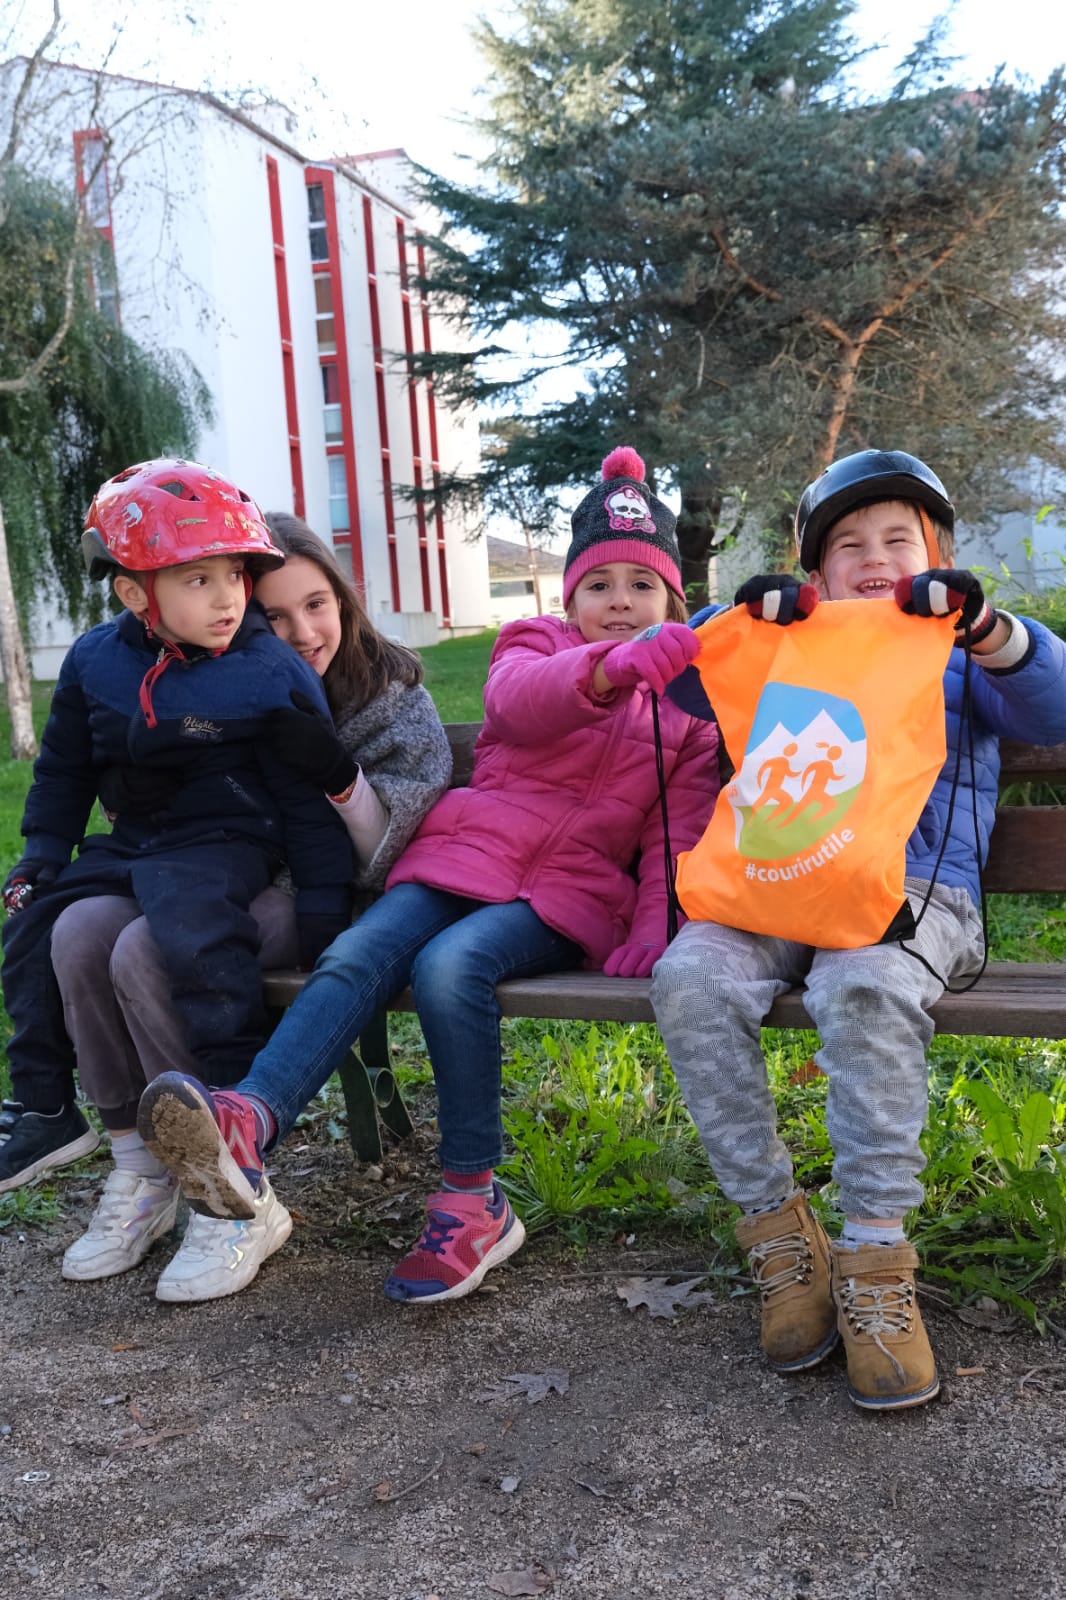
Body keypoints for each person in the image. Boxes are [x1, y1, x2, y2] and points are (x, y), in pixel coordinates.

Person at [137, 445, 720, 1304]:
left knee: (452, 967)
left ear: (672, 600)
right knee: (356, 953)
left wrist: (652, 923)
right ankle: (250, 1118)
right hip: (462, 853)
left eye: (642, 585)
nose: (620, 602)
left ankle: (473, 1201)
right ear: (570, 598)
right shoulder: (533, 644)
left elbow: (679, 830)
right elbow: (520, 703)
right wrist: (607, 669)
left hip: (566, 892)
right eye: (599, 584)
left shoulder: (691, 710)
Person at [650, 448, 1066, 1411]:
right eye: (849, 545)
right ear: (818, 572)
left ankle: (876, 1260)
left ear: (937, 556)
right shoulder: (789, 643)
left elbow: (1052, 704)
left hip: (918, 895)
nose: (875, 558)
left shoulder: (961, 651)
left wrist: (987, 629)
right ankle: (780, 1239)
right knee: (690, 977)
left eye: (898, 539)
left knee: (863, 984)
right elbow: (685, 681)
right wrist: (738, 617)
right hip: (778, 883)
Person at [44, 511, 452, 1302]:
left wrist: (339, 776)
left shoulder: (387, 693)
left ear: (344, 600)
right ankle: (144, 1169)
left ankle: (229, 1184)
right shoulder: (212, 675)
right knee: (81, 931)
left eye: (316, 605)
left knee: (145, 950)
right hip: (213, 877)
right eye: (276, 614)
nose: (301, 632)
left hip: (327, 901)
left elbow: (392, 849)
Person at [0, 461, 355, 1225]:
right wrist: (43, 855)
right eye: (198, 580)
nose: (228, 598)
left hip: (226, 844)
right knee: (41, 925)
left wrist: (325, 907)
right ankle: (57, 1114)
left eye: (235, 576)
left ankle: (228, 1122)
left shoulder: (266, 671)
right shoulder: (95, 661)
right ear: (135, 594)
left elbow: (307, 802)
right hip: (136, 843)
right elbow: (64, 769)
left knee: (187, 937)